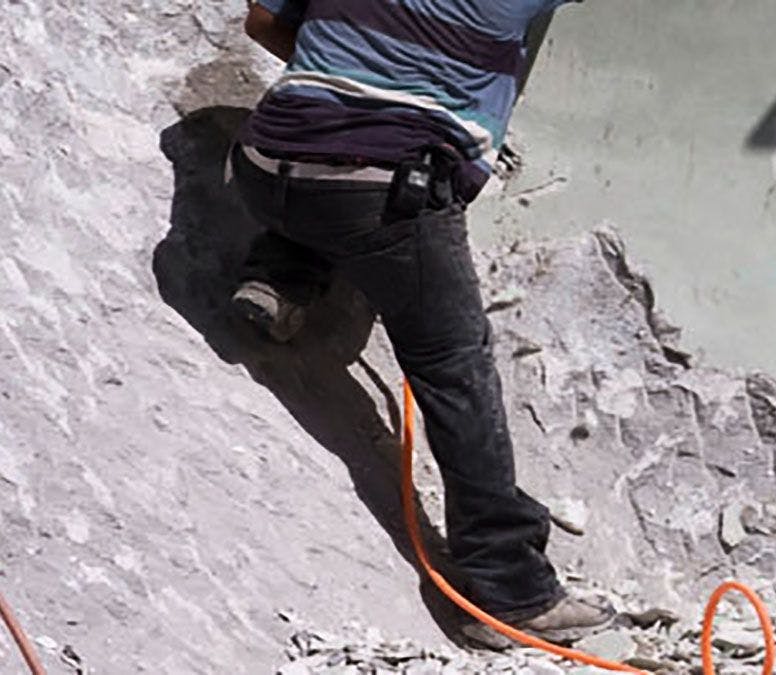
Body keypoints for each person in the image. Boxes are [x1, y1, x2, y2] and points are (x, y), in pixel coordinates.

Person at [230, 0, 610, 647]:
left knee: (337, 183)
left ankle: (281, 275)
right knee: (455, 367)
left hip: (263, 162)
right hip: (383, 188)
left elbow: (262, 22)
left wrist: (356, 78)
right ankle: (509, 593)